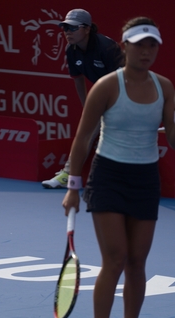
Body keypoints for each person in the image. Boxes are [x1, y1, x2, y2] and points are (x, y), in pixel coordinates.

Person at [61, 17, 175, 318]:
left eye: (152, 45)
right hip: (108, 176)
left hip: (145, 179)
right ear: (125, 47)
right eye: (139, 45)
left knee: (136, 262)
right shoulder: (106, 86)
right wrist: (73, 187)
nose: (146, 52)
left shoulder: (164, 87)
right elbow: (83, 138)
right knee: (115, 259)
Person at [41, 9, 123, 188]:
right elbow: (78, 80)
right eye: (65, 28)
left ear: (87, 29)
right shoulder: (71, 50)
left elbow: (125, 80)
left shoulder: (106, 47)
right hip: (103, 92)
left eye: (73, 28)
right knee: (86, 130)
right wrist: (87, 107)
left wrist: (114, 107)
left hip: (125, 92)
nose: (67, 32)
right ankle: (68, 175)